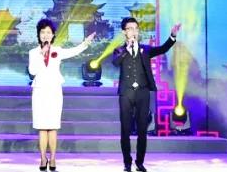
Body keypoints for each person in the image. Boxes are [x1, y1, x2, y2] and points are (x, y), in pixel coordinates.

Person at [111, 18, 181, 172]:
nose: (133, 31)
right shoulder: (119, 50)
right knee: (125, 130)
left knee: (142, 129)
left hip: (143, 93)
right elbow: (115, 63)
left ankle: (140, 162)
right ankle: (127, 163)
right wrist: (127, 48)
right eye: (130, 29)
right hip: (126, 93)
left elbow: (162, 49)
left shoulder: (145, 49)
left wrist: (172, 36)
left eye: (136, 28)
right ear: (124, 32)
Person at [28, 19, 95, 171]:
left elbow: (73, 51)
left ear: (53, 35)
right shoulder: (33, 52)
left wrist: (85, 43)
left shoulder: (57, 51)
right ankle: (43, 158)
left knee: (52, 127)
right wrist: (41, 55)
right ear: (39, 34)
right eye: (43, 32)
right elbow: (32, 71)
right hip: (39, 92)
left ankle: (52, 158)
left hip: (54, 91)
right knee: (42, 127)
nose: (45, 35)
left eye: (48, 32)